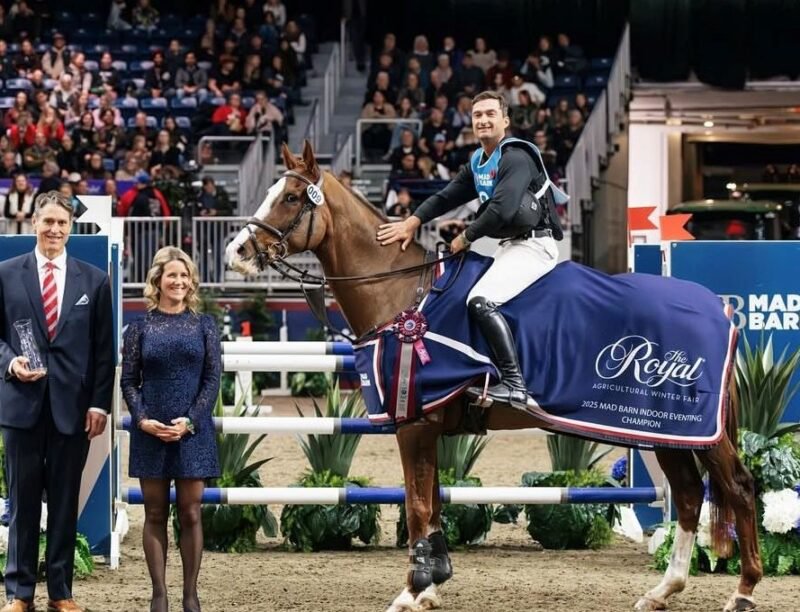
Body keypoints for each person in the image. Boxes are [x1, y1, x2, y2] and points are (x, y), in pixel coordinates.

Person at [377, 91, 567, 412]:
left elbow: (503, 209)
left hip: (535, 245)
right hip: (511, 245)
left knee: (480, 300)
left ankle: (516, 385)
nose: (483, 120)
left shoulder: (516, 156)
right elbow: (445, 196)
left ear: (505, 120)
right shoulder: (478, 162)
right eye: (477, 115)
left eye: (490, 114)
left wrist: (466, 236)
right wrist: (412, 221)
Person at [0, 191, 114, 612]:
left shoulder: (95, 280)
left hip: (75, 411)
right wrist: (11, 364)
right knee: (22, 504)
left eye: (61, 223)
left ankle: (60, 593)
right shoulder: (5, 274)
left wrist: (99, 404)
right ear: (34, 223)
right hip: (20, 405)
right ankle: (19, 593)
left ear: (71, 227)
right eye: (47, 221)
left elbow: (104, 351)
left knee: (65, 505)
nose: (54, 230)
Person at [121, 247, 220, 612]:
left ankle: (190, 594)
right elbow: (129, 381)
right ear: (158, 282)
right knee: (155, 513)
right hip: (151, 430)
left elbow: (212, 380)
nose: (178, 282)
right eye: (171, 276)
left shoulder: (205, 325)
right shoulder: (139, 327)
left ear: (191, 282)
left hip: (192, 431)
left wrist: (191, 421)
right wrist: (142, 419)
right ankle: (159, 594)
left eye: (184, 276)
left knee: (192, 512)